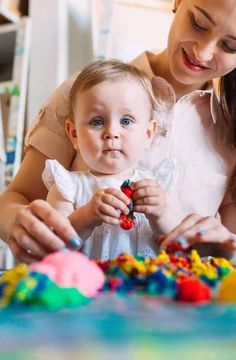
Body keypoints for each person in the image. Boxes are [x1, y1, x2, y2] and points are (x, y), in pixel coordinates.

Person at [0, 0, 236, 265]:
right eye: (199, 24)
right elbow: (13, 200)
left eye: (230, 46)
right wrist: (19, 222)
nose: (202, 52)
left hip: (182, 302)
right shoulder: (85, 94)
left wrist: (231, 246)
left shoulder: (234, 130)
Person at [43, 59, 179, 260]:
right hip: (89, 288)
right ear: (74, 135)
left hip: (148, 285)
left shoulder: (158, 186)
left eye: (126, 121)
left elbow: (181, 243)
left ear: (148, 134)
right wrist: (86, 217)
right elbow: (51, 248)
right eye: (97, 122)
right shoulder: (68, 187)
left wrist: (161, 213)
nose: (112, 132)